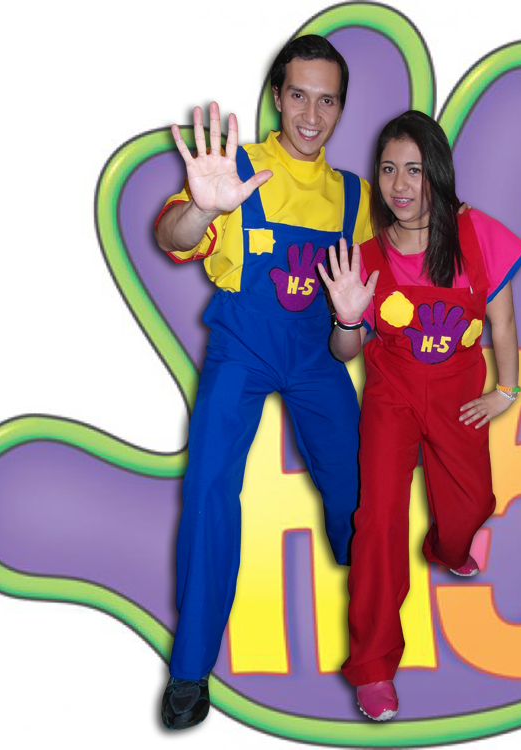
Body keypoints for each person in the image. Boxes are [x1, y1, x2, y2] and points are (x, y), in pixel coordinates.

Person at [152, 35, 373, 730]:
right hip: (241, 352)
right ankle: (191, 668)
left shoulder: (355, 198)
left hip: (316, 357)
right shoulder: (234, 168)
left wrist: (353, 324)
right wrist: (203, 206)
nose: (311, 114)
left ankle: (360, 577)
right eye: (298, 94)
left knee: (358, 486)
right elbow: (173, 235)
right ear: (277, 96)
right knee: (210, 489)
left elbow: (359, 317)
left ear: (341, 109)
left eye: (327, 100)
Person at [320, 110, 521, 721]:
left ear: (437, 172)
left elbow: (502, 322)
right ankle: (372, 665)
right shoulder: (363, 256)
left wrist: (506, 390)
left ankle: (446, 546)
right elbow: (344, 352)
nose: (400, 184)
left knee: (472, 506)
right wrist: (347, 318)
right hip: (392, 396)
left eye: (413, 169)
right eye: (388, 169)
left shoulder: (478, 233)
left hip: (459, 394)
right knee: (377, 522)